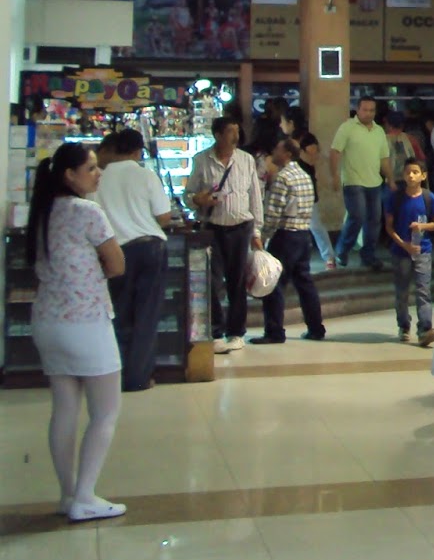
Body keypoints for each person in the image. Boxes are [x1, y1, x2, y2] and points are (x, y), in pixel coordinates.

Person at [27, 143, 128, 521]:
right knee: (104, 413)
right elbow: (116, 263)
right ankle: (86, 495)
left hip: (48, 321)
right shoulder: (87, 211)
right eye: (90, 168)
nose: (98, 173)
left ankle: (69, 493)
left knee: (64, 410)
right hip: (86, 322)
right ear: (69, 175)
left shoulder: (42, 211)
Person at [93, 130, 171, 392]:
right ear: (138, 151)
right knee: (147, 315)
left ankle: (113, 374)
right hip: (151, 249)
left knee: (118, 313)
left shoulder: (98, 178)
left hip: (117, 251)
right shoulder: (146, 175)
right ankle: (138, 377)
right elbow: (164, 217)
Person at [186, 116, 263, 355]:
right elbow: (188, 194)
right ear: (218, 134)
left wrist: (257, 230)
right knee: (212, 280)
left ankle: (237, 332)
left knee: (238, 281)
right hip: (214, 227)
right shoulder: (202, 160)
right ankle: (216, 331)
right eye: (230, 131)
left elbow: (255, 196)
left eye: (237, 131)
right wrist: (197, 200)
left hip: (241, 227)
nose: (235, 136)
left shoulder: (246, 160)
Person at [252, 137, 326, 345]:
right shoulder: (304, 176)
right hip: (303, 235)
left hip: (285, 236)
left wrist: (262, 236)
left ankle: (274, 331)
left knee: (274, 282)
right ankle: (316, 327)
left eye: (276, 149)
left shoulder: (283, 178)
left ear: (286, 154)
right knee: (304, 282)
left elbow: (274, 212)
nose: (273, 153)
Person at [331, 97, 392, 271]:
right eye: (365, 109)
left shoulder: (379, 131)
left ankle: (368, 255)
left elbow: (384, 158)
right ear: (358, 110)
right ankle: (342, 249)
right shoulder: (347, 128)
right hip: (353, 181)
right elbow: (335, 152)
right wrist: (335, 176)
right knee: (357, 216)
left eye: (372, 110)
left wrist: (391, 178)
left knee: (374, 221)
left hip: (375, 182)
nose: (369, 113)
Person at [384, 158, 434, 346]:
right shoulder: (396, 198)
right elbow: (389, 227)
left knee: (423, 291)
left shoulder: (428, 197)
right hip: (401, 252)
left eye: (416, 172)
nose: (411, 175)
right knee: (402, 291)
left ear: (423, 176)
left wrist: (422, 226)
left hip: (423, 251)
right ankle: (403, 324)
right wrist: (404, 245)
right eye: (408, 172)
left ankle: (425, 328)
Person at [294, 132, 336, 271]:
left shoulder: (313, 163)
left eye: (315, 152)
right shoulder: (295, 164)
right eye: (310, 153)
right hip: (296, 200)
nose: (313, 157)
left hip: (311, 199)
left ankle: (329, 257)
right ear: (302, 152)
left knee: (317, 227)